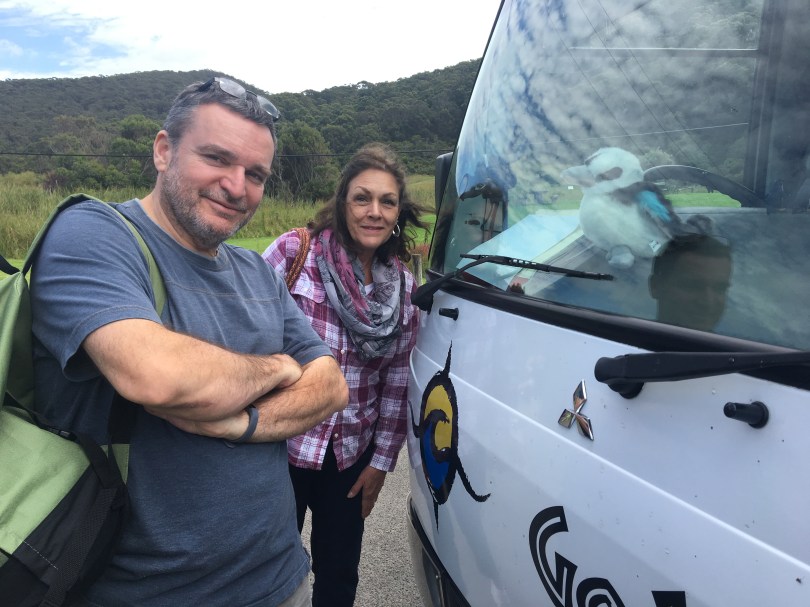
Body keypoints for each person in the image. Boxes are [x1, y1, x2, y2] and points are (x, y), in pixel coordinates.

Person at [30, 77, 349, 607]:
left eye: (256, 174)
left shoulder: (256, 271)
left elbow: (331, 386)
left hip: (281, 581)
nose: (236, 186)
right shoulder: (94, 233)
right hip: (144, 593)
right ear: (164, 151)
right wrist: (278, 368)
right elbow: (158, 377)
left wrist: (244, 422)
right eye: (217, 158)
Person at [262, 143, 429, 606]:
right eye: (362, 198)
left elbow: (396, 382)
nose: (374, 211)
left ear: (398, 213)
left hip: (349, 454)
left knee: (338, 575)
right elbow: (241, 329)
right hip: (280, 445)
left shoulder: (403, 288)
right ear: (342, 202)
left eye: (387, 201)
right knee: (266, 572)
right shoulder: (295, 253)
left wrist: (380, 463)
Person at [648, 234, 732, 331]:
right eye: (693, 286)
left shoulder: (737, 341)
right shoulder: (632, 334)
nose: (708, 302)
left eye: (720, 289)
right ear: (655, 286)